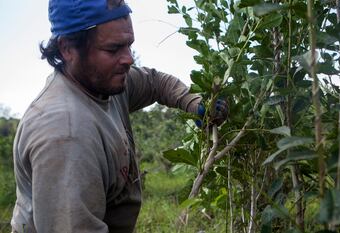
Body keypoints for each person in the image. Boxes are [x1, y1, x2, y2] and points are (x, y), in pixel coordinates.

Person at [11, 0, 228, 232]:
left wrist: (194, 103)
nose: (128, 59)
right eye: (113, 49)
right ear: (67, 49)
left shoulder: (103, 83)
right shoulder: (65, 135)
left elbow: (154, 82)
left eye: (129, 45)